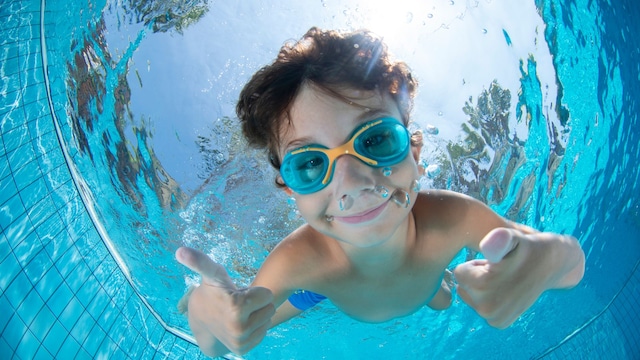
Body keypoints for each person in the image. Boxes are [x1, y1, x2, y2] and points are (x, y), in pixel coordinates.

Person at [175, 27, 585, 357]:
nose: (352, 182)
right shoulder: (297, 263)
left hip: (427, 288)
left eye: (375, 140)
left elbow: (570, 268)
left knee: (443, 298)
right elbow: (234, 337)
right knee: (295, 302)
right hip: (326, 288)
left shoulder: (452, 217)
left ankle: (435, 284)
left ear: (416, 154)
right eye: (310, 163)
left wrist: (550, 257)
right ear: (290, 191)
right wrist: (206, 317)